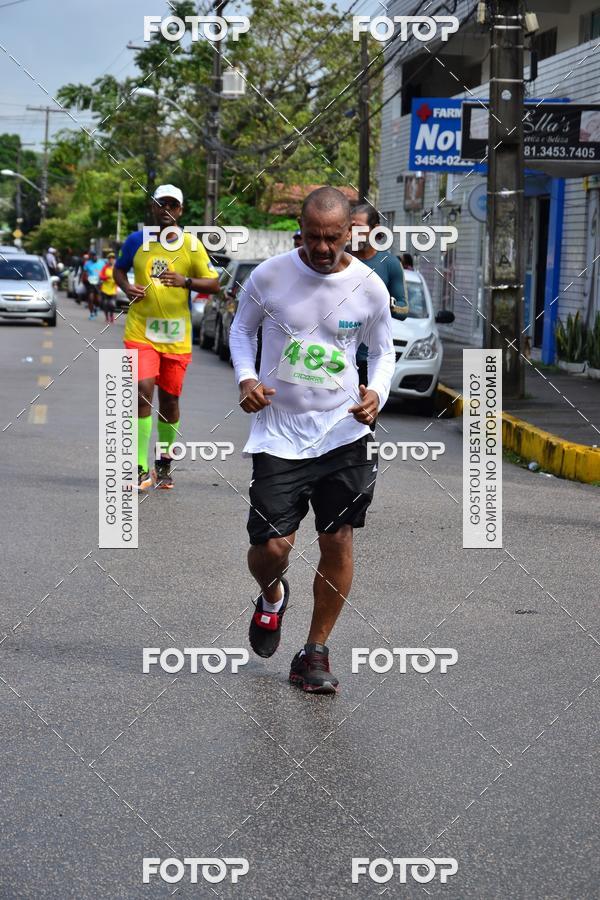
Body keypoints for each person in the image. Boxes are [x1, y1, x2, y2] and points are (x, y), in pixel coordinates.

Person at [229, 186, 394, 694]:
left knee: (337, 538)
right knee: (271, 546)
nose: (323, 248)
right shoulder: (269, 275)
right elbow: (241, 331)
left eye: (333, 238)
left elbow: (382, 352)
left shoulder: (368, 286)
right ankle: (272, 595)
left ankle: (315, 651)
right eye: (314, 237)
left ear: (350, 234)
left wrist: (377, 392)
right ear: (299, 231)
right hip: (280, 432)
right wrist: (246, 379)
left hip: (344, 432)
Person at [114, 184, 219, 491]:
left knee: (170, 400)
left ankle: (163, 462)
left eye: (172, 205)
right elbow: (119, 269)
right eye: (161, 204)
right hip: (141, 331)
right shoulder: (136, 241)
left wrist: (186, 281)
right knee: (142, 391)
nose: (166, 210)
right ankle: (139, 467)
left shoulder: (191, 245)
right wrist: (126, 287)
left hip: (176, 336)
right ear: (153, 207)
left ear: (180, 211)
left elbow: (214, 285)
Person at [349, 202, 407, 393]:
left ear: (375, 230)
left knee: (366, 410)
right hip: (338, 354)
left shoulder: (390, 263)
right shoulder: (340, 258)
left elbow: (403, 309)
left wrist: (385, 303)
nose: (353, 233)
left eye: (358, 228)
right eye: (350, 228)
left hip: (370, 358)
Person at [83, 251, 104, 319]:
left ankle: (96, 307)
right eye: (92, 256)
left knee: (98, 299)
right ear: (91, 257)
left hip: (99, 283)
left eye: (95, 256)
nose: (94, 257)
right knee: (90, 298)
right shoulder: (87, 263)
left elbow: (104, 272)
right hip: (90, 283)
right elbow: (85, 273)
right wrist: (86, 278)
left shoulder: (102, 263)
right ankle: (91, 313)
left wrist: (102, 279)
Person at [99, 251, 118, 324]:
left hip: (113, 289)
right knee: (105, 304)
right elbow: (101, 276)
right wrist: (107, 277)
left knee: (112, 304)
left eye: (113, 258)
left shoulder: (116, 268)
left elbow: (119, 277)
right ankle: (107, 317)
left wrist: (117, 281)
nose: (111, 260)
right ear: (108, 260)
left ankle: (111, 316)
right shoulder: (105, 267)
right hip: (105, 289)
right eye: (110, 258)